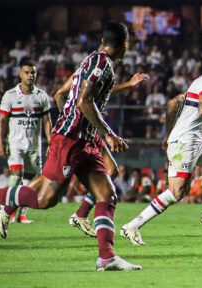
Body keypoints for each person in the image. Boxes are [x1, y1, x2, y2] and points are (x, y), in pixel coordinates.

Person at [0, 21, 141, 271]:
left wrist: (124, 90)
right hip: (70, 141)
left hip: (83, 141)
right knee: (45, 199)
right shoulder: (101, 63)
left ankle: (106, 257)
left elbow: (81, 96)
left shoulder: (95, 61)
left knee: (107, 193)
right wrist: (108, 134)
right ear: (124, 45)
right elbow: (85, 102)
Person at [120, 51, 202, 245]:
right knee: (177, 192)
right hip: (186, 142)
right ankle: (132, 226)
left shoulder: (201, 80)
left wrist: (167, 135)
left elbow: (173, 103)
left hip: (195, 141)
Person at [54, 69, 149, 237]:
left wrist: (128, 84)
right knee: (49, 191)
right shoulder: (85, 72)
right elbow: (59, 94)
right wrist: (68, 121)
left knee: (112, 170)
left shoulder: (96, 74)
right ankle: (7, 202)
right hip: (76, 134)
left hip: (91, 130)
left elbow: (102, 91)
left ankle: (81, 215)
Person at [0, 60, 52, 224]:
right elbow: (2, 121)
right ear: (20, 74)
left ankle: (21, 215)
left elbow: (48, 121)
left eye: (33, 72)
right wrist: (0, 143)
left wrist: (50, 142)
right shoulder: (10, 95)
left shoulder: (41, 95)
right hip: (16, 144)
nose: (30, 75)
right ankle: (6, 208)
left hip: (34, 145)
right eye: (27, 72)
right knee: (17, 175)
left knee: (31, 181)